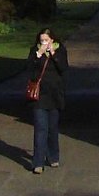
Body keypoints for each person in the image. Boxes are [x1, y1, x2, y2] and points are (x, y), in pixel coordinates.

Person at [26, 27, 67, 172]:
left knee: (53, 128)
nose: (44, 43)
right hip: (40, 96)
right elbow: (29, 69)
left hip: (54, 95)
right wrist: (38, 55)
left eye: (46, 40)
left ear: (52, 40)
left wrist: (53, 54)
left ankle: (53, 156)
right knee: (40, 128)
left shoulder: (60, 50)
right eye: (41, 40)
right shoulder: (35, 52)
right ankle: (38, 162)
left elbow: (63, 68)